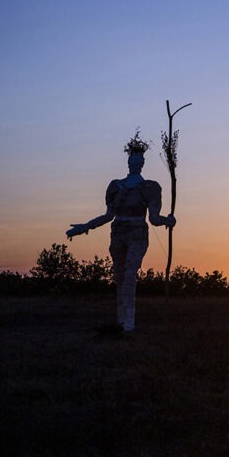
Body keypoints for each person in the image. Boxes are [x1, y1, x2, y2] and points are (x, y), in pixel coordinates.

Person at [66, 132, 176, 333]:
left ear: (142, 163)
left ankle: (128, 325)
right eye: (132, 160)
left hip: (137, 233)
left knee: (129, 275)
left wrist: (167, 221)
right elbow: (108, 215)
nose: (134, 164)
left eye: (138, 160)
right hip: (117, 233)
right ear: (128, 161)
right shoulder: (116, 186)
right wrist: (84, 227)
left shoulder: (150, 187)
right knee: (119, 277)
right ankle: (120, 323)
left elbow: (153, 218)